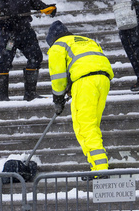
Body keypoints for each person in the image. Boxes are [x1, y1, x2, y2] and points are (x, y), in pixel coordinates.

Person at [46, 20, 114, 174]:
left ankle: (100, 169)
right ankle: (99, 166)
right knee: (92, 125)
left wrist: (58, 99)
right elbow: (86, 62)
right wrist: (71, 87)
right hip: (103, 80)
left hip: (85, 83)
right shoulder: (85, 41)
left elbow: (58, 77)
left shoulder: (58, 46)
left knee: (84, 127)